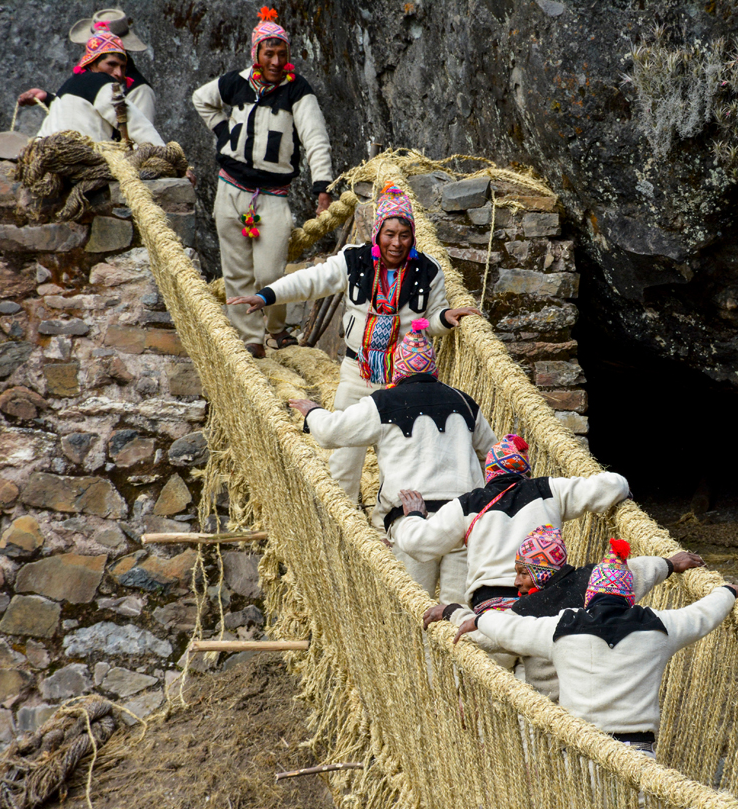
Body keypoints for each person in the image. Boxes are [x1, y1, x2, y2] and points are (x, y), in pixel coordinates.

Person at [228, 183, 479, 499]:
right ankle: (345, 524)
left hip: (401, 381)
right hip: (355, 371)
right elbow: (311, 282)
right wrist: (267, 296)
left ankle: (390, 527)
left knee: (398, 457)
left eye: (404, 235)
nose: (396, 243)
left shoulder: (428, 271)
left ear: (412, 235)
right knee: (344, 456)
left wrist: (445, 320)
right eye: (389, 234)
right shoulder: (354, 261)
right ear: (377, 232)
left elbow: (429, 320)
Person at [470, 539, 738, 757]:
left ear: (590, 595)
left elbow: (509, 631)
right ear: (630, 595)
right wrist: (727, 592)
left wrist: (480, 618)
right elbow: (702, 615)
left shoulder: (561, 626)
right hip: (636, 754)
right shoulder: (661, 626)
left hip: (580, 746)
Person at [286, 319, 496, 603]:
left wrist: (312, 412)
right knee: (457, 613)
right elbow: (493, 454)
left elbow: (330, 433)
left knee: (415, 607)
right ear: (432, 367)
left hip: (413, 516)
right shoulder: (463, 401)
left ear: (398, 367)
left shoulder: (382, 402)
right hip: (465, 517)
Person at [391, 434, 631, 670]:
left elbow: (417, 543)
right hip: (543, 614)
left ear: (490, 471)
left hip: (490, 622)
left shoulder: (467, 505)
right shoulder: (548, 490)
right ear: (525, 470)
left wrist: (413, 515)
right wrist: (622, 492)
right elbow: (612, 485)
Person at [424, 523, 706, 701]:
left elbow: (487, 635)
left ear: (542, 572)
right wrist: (670, 563)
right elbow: (639, 570)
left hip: (551, 706)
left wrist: (452, 611)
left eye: (523, 573)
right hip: (602, 695)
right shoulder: (600, 580)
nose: (516, 582)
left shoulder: (527, 611)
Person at [195, 7, 334, 359]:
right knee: (236, 271)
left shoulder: (297, 90)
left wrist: (323, 188)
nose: (274, 60)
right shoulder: (237, 82)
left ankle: (276, 329)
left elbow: (316, 138)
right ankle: (250, 339)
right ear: (255, 53)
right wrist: (224, 134)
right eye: (268, 53)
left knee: (270, 272)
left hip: (272, 196)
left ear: (288, 56)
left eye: (281, 54)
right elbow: (202, 99)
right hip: (230, 189)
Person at [28, 22, 164, 147]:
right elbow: (137, 126)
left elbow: (46, 132)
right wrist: (166, 155)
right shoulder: (102, 83)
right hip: (86, 162)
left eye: (122, 67)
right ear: (92, 63)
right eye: (111, 64)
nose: (118, 73)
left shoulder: (67, 86)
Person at [18, 9, 158, 128]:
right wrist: (48, 99)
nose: (117, 72)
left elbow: (141, 142)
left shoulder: (140, 91)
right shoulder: (90, 77)